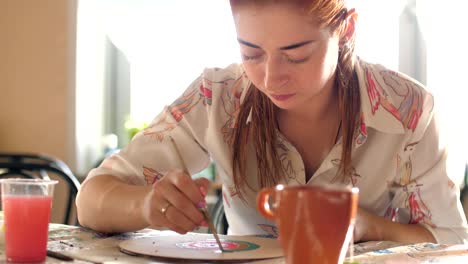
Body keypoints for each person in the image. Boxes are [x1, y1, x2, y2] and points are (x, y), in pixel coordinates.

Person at [76, 0, 468, 244]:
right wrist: (147, 205)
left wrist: (368, 226)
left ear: (345, 29)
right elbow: (91, 201)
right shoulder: (219, 97)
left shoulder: (408, 110)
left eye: (296, 55)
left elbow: (453, 241)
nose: (269, 77)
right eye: (251, 53)